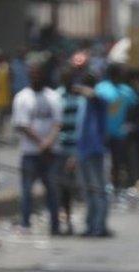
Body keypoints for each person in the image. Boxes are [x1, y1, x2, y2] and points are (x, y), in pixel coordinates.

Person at [11, 55, 63, 235]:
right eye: (32, 73)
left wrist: (48, 143)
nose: (35, 76)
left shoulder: (53, 97)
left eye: (38, 73)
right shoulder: (22, 97)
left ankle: (55, 224)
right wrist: (41, 143)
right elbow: (22, 125)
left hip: (50, 152)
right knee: (26, 190)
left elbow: (58, 123)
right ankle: (25, 223)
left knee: (52, 189)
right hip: (30, 152)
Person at [72, 71, 113, 237]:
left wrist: (83, 90)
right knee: (88, 191)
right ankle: (91, 225)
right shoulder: (83, 102)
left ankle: (99, 226)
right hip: (83, 150)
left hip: (94, 150)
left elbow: (96, 97)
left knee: (98, 189)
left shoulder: (98, 99)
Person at [95, 64, 139, 190]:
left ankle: (116, 186)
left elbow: (135, 106)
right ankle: (103, 185)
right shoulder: (101, 88)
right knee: (104, 161)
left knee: (117, 162)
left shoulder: (126, 90)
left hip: (119, 133)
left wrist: (129, 124)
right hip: (103, 133)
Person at [56, 63, 84, 235]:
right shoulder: (57, 96)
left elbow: (80, 127)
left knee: (70, 187)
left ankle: (68, 218)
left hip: (73, 149)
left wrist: (75, 153)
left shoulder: (79, 98)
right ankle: (62, 219)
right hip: (59, 148)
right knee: (61, 187)